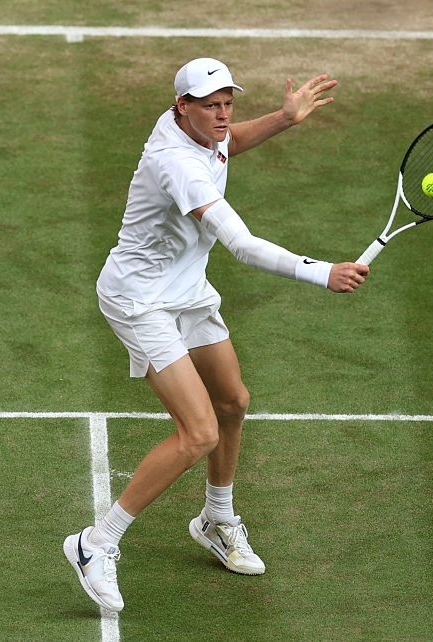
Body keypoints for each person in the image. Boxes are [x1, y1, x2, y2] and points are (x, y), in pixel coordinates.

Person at [64, 57, 370, 613]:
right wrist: (320, 271)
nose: (224, 115)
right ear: (183, 106)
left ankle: (217, 517)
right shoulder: (176, 163)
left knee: (233, 401)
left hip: (188, 287)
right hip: (140, 299)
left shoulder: (201, 129)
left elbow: (230, 142)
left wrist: (282, 118)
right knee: (198, 432)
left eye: (229, 102)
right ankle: (96, 542)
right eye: (212, 105)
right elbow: (244, 247)